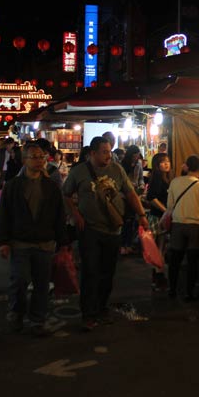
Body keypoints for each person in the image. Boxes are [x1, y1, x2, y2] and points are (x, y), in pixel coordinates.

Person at [62, 136, 150, 331]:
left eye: (109, 151)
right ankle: (88, 314)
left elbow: (130, 193)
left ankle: (102, 308)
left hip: (113, 229)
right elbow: (65, 194)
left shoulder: (117, 170)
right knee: (90, 272)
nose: (108, 155)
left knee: (107, 272)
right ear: (92, 153)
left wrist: (141, 215)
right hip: (90, 230)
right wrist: (75, 214)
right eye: (104, 151)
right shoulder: (79, 171)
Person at [0, 142, 67, 336]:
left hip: (45, 243)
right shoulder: (13, 186)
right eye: (34, 157)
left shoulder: (51, 186)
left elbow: (60, 215)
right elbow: (4, 215)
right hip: (20, 242)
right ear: (24, 160)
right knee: (19, 279)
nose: (39, 161)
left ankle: (37, 319)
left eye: (42, 157)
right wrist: (3, 241)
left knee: (42, 284)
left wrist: (62, 242)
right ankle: (16, 313)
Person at [166, 155, 199, 301]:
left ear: (186, 167)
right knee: (193, 261)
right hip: (195, 226)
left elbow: (169, 206)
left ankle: (172, 290)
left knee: (175, 260)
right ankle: (189, 293)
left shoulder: (175, 182)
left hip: (178, 225)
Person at [145, 152, 173, 291]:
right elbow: (151, 197)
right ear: (157, 165)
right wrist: (166, 211)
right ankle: (159, 278)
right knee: (159, 249)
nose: (166, 164)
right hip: (157, 218)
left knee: (160, 248)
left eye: (167, 161)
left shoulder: (165, 178)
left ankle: (157, 278)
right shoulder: (157, 178)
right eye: (162, 162)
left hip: (160, 217)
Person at [120, 145, 146, 255]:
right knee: (124, 220)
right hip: (124, 196)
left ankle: (128, 245)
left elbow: (140, 179)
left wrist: (141, 185)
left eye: (137, 156)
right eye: (134, 156)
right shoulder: (122, 165)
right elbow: (120, 181)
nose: (136, 158)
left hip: (135, 194)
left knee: (131, 221)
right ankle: (122, 245)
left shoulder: (138, 165)